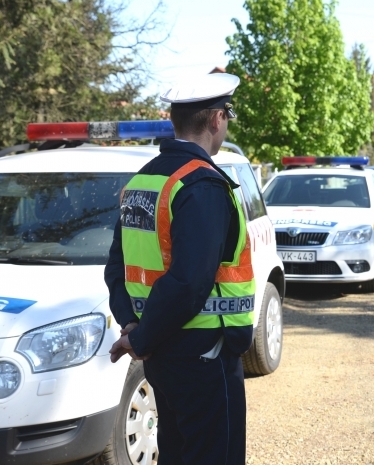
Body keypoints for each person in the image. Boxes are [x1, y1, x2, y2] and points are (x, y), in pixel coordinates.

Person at [104, 73, 255, 465]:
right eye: (228, 115)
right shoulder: (202, 184)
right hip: (203, 356)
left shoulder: (143, 182)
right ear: (216, 119)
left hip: (162, 357)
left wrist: (135, 328)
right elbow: (190, 282)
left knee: (175, 454)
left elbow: (117, 269)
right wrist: (141, 336)